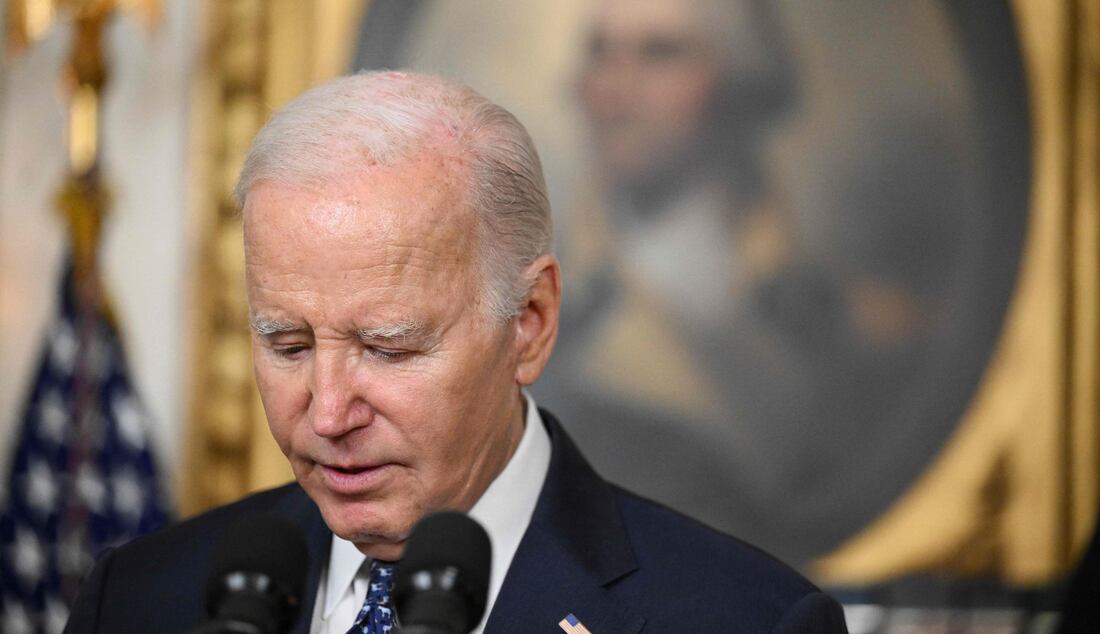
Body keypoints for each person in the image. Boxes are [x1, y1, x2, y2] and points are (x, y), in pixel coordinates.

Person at [63, 71, 847, 633]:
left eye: (387, 348)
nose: (327, 414)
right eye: (288, 345)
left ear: (529, 323)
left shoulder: (745, 619)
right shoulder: (137, 602)